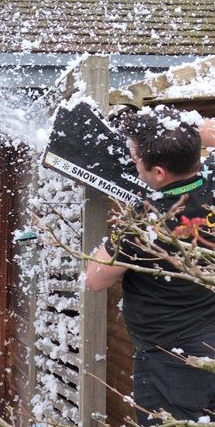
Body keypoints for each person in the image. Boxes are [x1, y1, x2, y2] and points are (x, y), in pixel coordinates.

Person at [87, 106, 215, 425]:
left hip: (172, 364)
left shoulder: (147, 224)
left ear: (159, 173)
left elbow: (95, 278)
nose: (133, 164)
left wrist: (123, 228)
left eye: (137, 160)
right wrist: (189, 137)